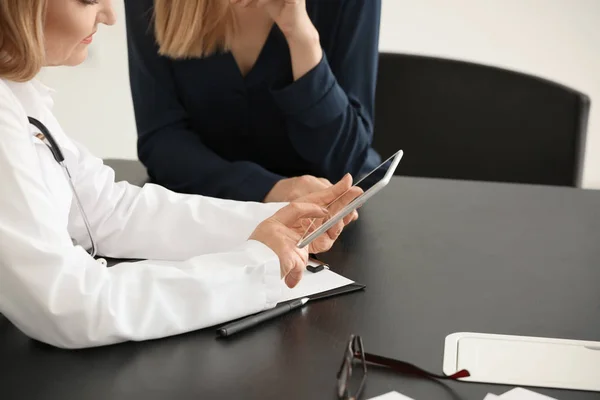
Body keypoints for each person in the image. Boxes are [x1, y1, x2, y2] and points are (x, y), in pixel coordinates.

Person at [0, 0, 361, 349]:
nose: (111, 15)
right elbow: (71, 305)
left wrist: (275, 223)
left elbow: (107, 210)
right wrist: (255, 265)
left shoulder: (18, 94)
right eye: (88, 1)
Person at [124, 0, 382, 202]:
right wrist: (269, 190)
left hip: (333, 222)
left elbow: (346, 161)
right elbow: (161, 140)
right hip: (204, 211)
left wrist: (301, 38)